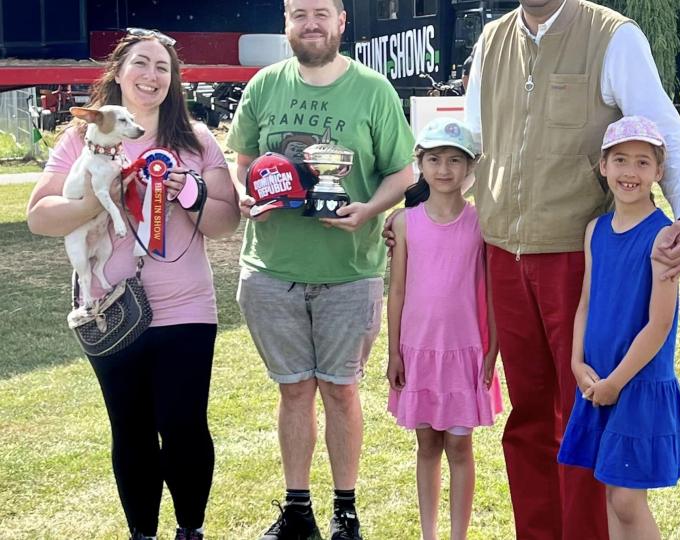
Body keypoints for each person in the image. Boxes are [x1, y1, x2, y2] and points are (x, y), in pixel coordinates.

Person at [382, 1, 680, 538]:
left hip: (577, 254)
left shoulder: (612, 36)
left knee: (580, 411)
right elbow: (472, 144)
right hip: (505, 254)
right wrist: (415, 209)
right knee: (529, 415)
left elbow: (664, 133)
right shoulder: (491, 40)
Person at [26, 29, 240, 540]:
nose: (151, 76)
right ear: (118, 73)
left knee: (184, 424)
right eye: (141, 65)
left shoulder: (196, 139)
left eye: (163, 68)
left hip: (186, 306)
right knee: (131, 427)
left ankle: (191, 530)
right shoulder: (81, 138)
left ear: (174, 80)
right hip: (110, 308)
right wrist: (99, 201)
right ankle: (142, 533)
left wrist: (190, 191)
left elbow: (226, 221)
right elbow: (39, 216)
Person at [225, 0, 416, 539]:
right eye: (298, 13)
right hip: (270, 268)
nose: (310, 24)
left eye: (321, 13)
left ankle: (346, 511)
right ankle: (298, 509)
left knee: (340, 391)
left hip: (349, 271)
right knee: (292, 391)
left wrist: (369, 210)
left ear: (340, 22)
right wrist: (244, 195)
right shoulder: (264, 85)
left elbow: (402, 172)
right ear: (286, 23)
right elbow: (242, 163)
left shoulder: (373, 90)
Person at [558, 116, 680, 540]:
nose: (630, 172)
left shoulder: (663, 238)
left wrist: (616, 383)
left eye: (643, 163)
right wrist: (576, 361)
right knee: (611, 494)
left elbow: (659, 326)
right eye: (620, 160)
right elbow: (585, 302)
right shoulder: (595, 231)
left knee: (626, 499)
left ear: (659, 172)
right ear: (603, 166)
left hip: (636, 383)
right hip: (599, 378)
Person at [386, 118, 503, 540]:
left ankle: (458, 535)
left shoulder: (482, 222)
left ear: (469, 167)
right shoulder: (404, 223)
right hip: (417, 352)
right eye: (434, 159)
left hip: (465, 351)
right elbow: (396, 291)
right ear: (420, 163)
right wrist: (394, 352)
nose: (444, 169)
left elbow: (491, 289)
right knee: (427, 446)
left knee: (458, 446)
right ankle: (429, 534)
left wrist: (492, 350)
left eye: (455, 160)